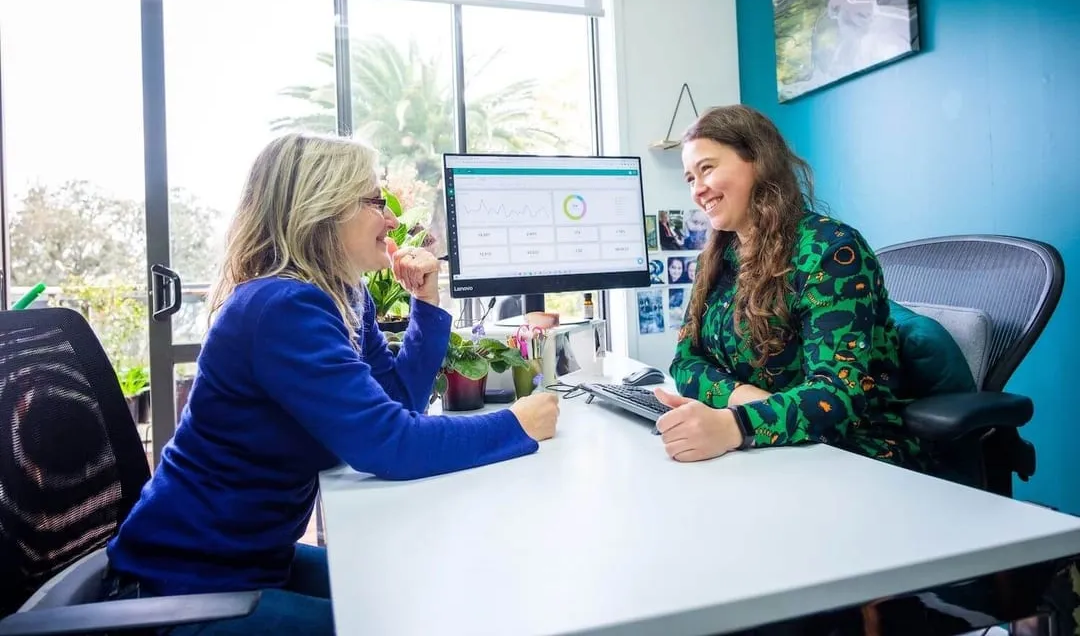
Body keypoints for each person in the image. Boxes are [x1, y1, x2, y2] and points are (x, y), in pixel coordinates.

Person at [102, 133, 560, 634]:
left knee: (416, 593)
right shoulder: (280, 308)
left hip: (251, 562)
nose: (390, 219)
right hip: (185, 588)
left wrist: (426, 304)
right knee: (410, 621)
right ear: (322, 210)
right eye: (373, 201)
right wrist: (516, 425)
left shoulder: (341, 296)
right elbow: (389, 443)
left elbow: (395, 401)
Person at [652, 105, 925, 471]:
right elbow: (686, 361)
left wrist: (735, 424)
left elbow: (837, 395)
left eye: (708, 168)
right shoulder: (716, 260)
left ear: (757, 162)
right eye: (689, 178)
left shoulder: (831, 251)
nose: (698, 190)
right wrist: (745, 403)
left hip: (852, 455)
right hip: (767, 449)